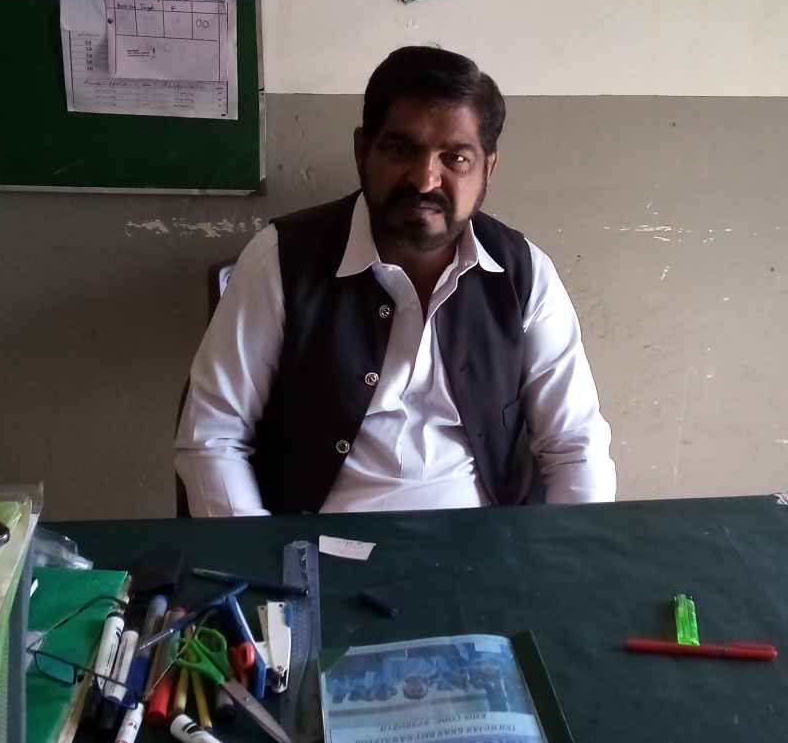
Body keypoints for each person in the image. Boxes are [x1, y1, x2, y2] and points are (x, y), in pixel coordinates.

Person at [175, 45, 616, 516]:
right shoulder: (281, 259)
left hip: (484, 544)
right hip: (318, 545)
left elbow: (575, 444)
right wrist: (264, 552)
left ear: (487, 167)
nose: (425, 180)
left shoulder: (523, 272)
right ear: (363, 150)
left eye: (455, 158)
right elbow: (213, 437)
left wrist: (565, 550)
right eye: (402, 150)